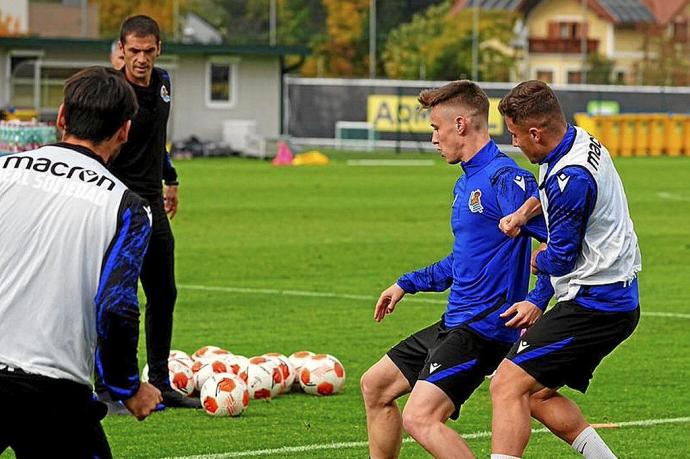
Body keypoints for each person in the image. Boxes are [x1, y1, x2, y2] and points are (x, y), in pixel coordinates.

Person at [360, 80, 549, 459]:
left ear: (460, 125)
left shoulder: (505, 178)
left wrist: (537, 298)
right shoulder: (466, 184)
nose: (434, 139)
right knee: (375, 386)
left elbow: (555, 240)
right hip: (456, 321)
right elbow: (461, 262)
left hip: (483, 328)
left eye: (436, 128)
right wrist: (405, 284)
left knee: (421, 417)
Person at [0, 66, 162, 458]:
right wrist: (128, 387)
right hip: (51, 392)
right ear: (124, 131)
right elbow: (116, 307)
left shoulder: (3, 172)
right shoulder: (128, 209)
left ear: (60, 117)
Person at [490, 80, 641, 459]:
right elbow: (550, 199)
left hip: (597, 304)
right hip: (610, 298)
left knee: (507, 385)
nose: (516, 144)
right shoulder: (575, 141)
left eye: (516, 135)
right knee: (537, 394)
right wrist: (524, 213)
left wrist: (534, 258)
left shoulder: (569, 179)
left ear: (536, 132)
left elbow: (561, 257)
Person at [97, 15, 195, 410]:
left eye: (148, 51)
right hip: (117, 207)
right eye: (133, 51)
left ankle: (160, 380)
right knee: (116, 298)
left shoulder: (164, 83)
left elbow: (157, 142)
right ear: (121, 50)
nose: (140, 58)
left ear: (159, 50)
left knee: (163, 294)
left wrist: (171, 179)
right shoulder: (111, 92)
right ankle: (107, 387)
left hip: (153, 205)